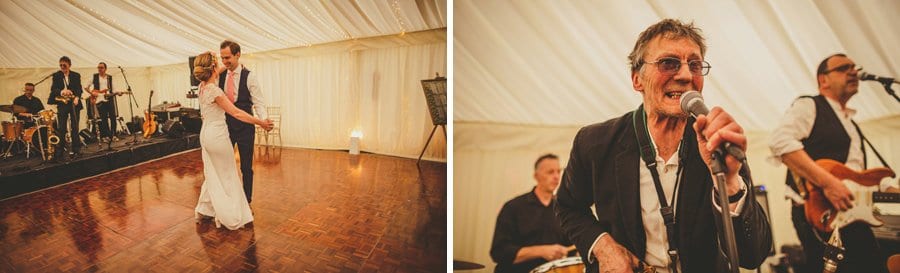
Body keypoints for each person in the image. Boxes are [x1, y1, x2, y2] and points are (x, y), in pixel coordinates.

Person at [554, 19, 772, 273]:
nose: (685, 75)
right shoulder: (595, 142)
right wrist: (603, 246)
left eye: (695, 64)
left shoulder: (718, 141)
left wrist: (730, 180)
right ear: (637, 80)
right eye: (669, 63)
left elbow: (753, 255)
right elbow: (567, 207)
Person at [769, 53, 896, 273]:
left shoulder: (851, 124)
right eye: (843, 68)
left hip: (852, 213)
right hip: (821, 214)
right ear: (823, 80)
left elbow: (857, 175)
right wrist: (828, 183)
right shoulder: (809, 105)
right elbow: (780, 142)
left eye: (854, 67)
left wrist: (888, 188)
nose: (853, 71)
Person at [192, 51, 273, 230]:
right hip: (218, 136)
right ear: (213, 67)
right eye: (218, 62)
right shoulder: (215, 91)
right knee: (228, 174)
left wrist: (230, 65)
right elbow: (236, 113)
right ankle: (229, 214)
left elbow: (217, 70)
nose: (223, 63)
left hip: (205, 134)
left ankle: (205, 209)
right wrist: (260, 122)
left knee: (212, 173)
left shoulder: (201, 86)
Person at [490, 154, 573, 273]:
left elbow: (570, 247)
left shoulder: (563, 209)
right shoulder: (513, 207)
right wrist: (542, 251)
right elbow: (499, 252)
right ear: (536, 176)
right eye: (550, 172)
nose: (556, 176)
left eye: (558, 171)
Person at [219, 40, 268, 204]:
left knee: (246, 166)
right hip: (225, 127)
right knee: (224, 165)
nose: (225, 62)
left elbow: (259, 101)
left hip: (246, 127)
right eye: (222, 58)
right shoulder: (220, 75)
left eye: (228, 58)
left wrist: (263, 119)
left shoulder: (250, 76)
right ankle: (227, 197)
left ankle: (247, 200)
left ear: (238, 55)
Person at [47, 56, 83, 156]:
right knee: (61, 127)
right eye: (60, 65)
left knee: (75, 127)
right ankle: (60, 150)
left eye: (64, 65)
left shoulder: (76, 75)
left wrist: (76, 98)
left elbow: (79, 89)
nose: (62, 67)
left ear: (69, 65)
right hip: (62, 104)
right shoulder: (56, 75)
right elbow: (54, 89)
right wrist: (62, 91)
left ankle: (76, 148)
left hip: (74, 103)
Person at [84, 62, 122, 141]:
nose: (99, 69)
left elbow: (113, 89)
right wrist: (92, 93)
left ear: (105, 69)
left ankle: (114, 135)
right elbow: (86, 87)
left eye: (101, 67)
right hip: (99, 100)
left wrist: (118, 93)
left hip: (109, 99)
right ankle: (106, 136)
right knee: (104, 119)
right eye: (98, 67)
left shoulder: (109, 78)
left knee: (113, 117)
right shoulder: (94, 77)